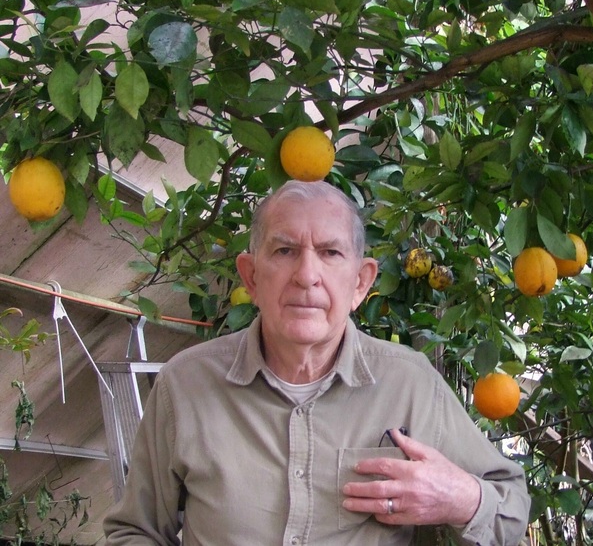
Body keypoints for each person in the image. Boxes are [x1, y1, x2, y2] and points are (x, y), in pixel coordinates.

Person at [103, 180, 531, 545]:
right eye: (285, 250)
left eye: (330, 253)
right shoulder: (186, 385)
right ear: (251, 276)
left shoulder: (410, 384)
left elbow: (512, 509)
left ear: (361, 282)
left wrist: (460, 498)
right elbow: (134, 529)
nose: (307, 275)